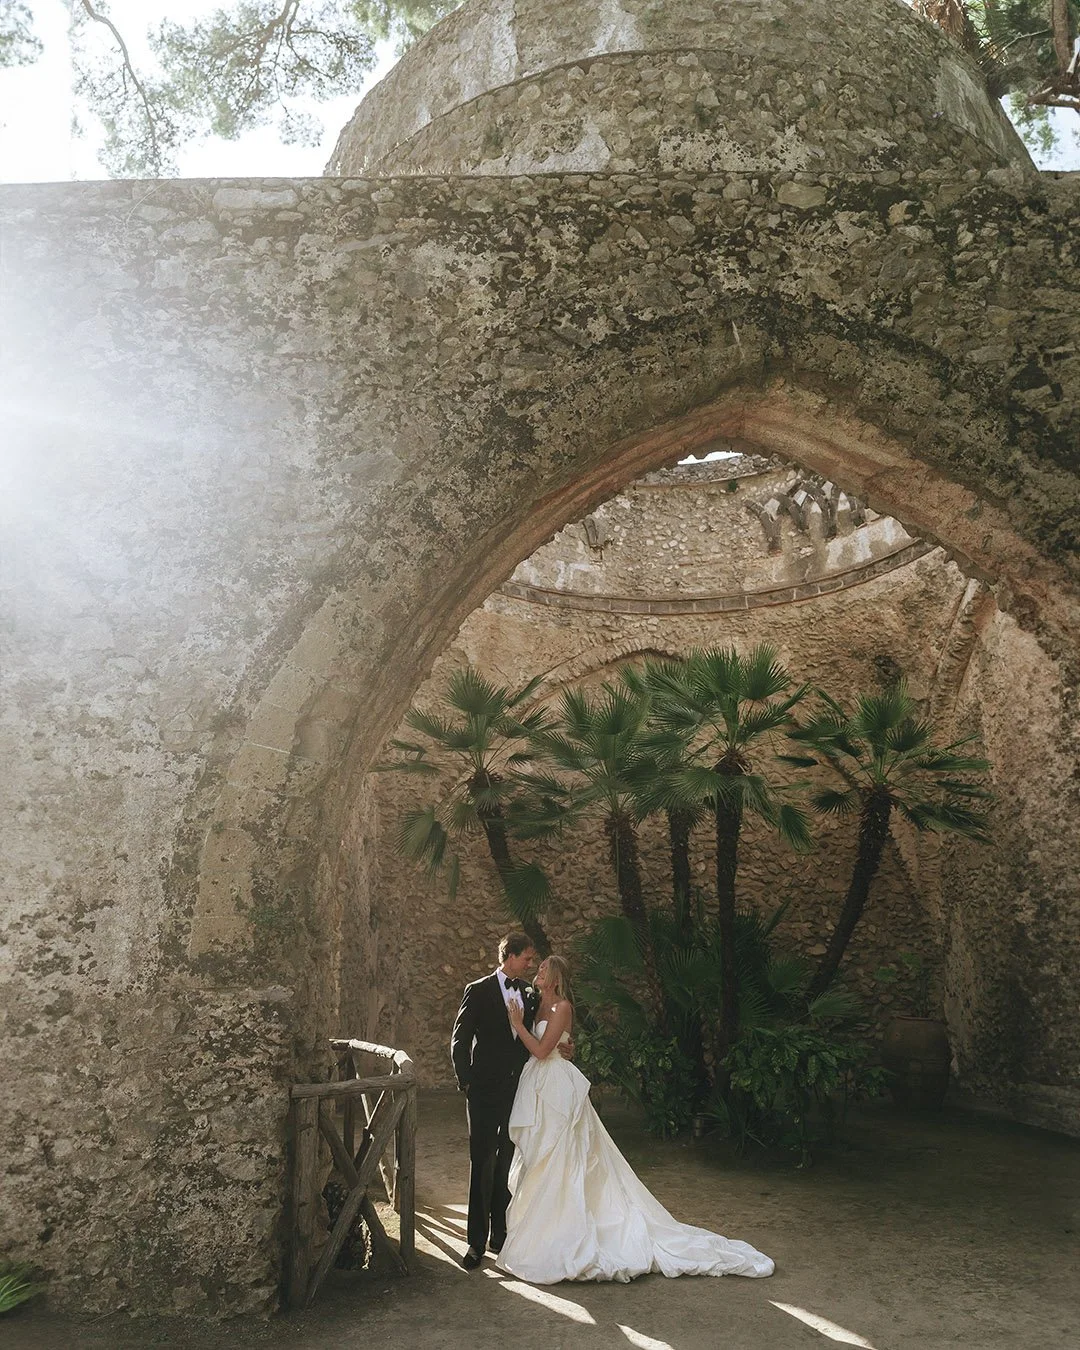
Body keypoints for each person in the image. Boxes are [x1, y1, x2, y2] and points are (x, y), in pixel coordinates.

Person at [497, 954, 775, 1285]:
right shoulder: (533, 1002)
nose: (538, 971)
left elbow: (544, 1050)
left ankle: (568, 1231)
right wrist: (555, 1039)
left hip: (556, 1087)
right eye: (539, 967)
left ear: (555, 977)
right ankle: (543, 1229)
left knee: (563, 1156)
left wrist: (520, 1026)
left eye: (544, 968)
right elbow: (555, 1044)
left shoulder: (563, 1006)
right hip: (537, 1085)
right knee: (540, 1159)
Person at [450, 933, 574, 1271]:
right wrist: (466, 1082)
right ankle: (476, 1243)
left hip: (520, 1090)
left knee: (507, 1161)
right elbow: (460, 1039)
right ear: (510, 956)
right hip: (482, 1091)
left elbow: (543, 1035)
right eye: (527, 958)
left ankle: (501, 1235)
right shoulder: (478, 990)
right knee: (481, 1161)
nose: (531, 964)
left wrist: (565, 1045)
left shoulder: (531, 995)